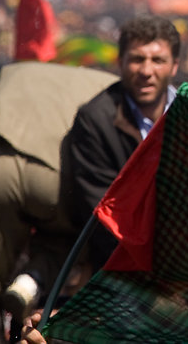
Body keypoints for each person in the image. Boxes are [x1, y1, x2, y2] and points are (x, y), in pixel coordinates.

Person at [0, 63, 116, 318]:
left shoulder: (19, 71)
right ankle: (32, 280)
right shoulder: (116, 91)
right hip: (56, 180)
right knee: (73, 241)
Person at [65, 14, 181, 277]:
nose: (146, 71)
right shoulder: (95, 119)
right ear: (120, 62)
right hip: (124, 270)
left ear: (174, 66)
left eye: (158, 60)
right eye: (137, 59)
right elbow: (105, 211)